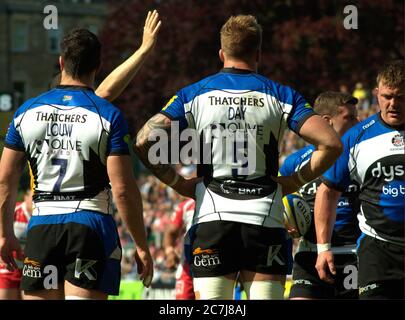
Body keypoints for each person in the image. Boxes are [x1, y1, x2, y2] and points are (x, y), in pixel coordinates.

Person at [134, 14, 342, 300]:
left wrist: (177, 182)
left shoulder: (194, 94)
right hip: (264, 219)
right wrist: (295, 180)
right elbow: (331, 144)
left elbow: (144, 139)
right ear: (258, 53)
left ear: (222, 53)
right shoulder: (281, 95)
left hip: (212, 218)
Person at [0, 10, 161, 300]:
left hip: (43, 225)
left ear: (61, 62)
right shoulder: (103, 113)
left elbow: (4, 181)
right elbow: (123, 190)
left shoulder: (26, 113)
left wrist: (4, 232)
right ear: (98, 66)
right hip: (90, 225)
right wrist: (141, 245)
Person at [315, 60, 404, 299]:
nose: (393, 104)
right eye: (387, 96)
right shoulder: (356, 136)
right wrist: (323, 248)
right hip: (377, 250)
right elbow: (328, 192)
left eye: (401, 97)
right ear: (376, 94)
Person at [280, 92, 360, 299]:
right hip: (309, 253)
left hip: (353, 254)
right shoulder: (293, 163)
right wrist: (284, 222)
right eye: (349, 118)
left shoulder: (362, 157)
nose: (358, 121)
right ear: (327, 122)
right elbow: (277, 203)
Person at [163, 166, 196, 300]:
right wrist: (170, 251)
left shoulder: (219, 202)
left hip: (214, 264)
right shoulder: (185, 207)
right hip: (187, 267)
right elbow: (170, 232)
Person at [0, 189, 33, 300]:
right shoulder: (12, 212)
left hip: (32, 269)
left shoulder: (42, 218)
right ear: (26, 196)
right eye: (33, 197)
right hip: (8, 268)